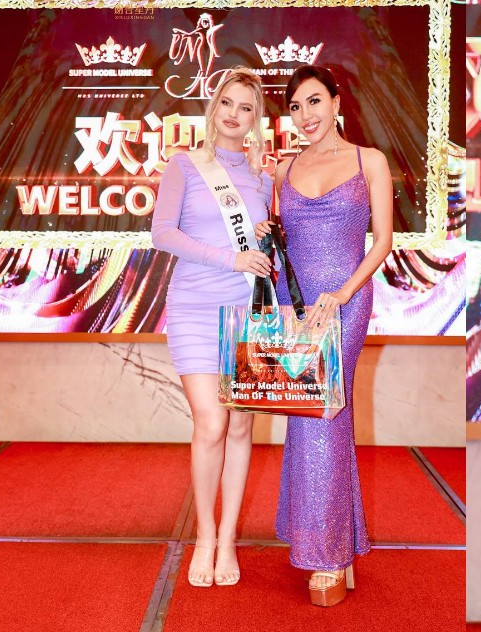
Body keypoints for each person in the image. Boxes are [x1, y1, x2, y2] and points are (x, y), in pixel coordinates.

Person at [254, 65, 393, 607]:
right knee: (305, 414)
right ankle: (322, 535)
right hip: (295, 303)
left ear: (337, 101)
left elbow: (381, 242)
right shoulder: (282, 170)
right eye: (295, 107)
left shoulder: (368, 161)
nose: (305, 115)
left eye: (314, 101)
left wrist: (341, 293)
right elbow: (280, 245)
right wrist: (266, 234)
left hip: (346, 302)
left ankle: (328, 555)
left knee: (326, 413)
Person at [151, 67, 273, 587]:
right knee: (211, 422)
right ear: (213, 106)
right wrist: (231, 258)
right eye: (227, 102)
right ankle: (203, 536)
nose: (234, 114)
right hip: (195, 308)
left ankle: (227, 540)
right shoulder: (185, 165)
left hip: (247, 312)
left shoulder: (265, 178)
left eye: (246, 107)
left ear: (256, 119)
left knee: (241, 425)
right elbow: (162, 233)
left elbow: (265, 254)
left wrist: (265, 239)